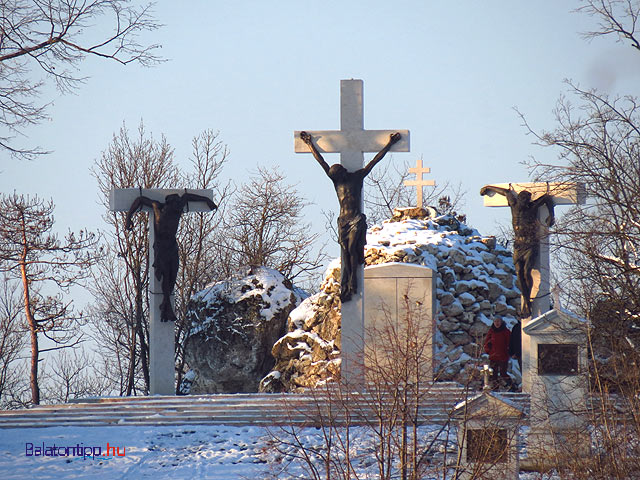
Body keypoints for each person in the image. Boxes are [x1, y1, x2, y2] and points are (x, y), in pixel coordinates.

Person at [300, 130, 401, 302]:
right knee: (346, 251)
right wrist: (310, 144)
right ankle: (346, 283)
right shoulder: (336, 181)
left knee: (353, 248)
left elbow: (374, 162)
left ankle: (353, 280)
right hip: (343, 222)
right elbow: (321, 161)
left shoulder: (357, 177)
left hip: (356, 220)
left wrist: (389, 144)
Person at [125, 192, 217, 321]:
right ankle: (166, 306)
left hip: (172, 246)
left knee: (173, 275)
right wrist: (128, 218)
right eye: (176, 204)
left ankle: (165, 304)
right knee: (166, 275)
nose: (179, 207)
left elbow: (189, 197)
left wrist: (207, 199)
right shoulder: (157, 208)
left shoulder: (177, 208)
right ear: (169, 204)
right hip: (161, 248)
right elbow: (139, 199)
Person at [479, 183, 555, 318]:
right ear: (518, 199)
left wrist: (551, 216)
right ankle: (526, 300)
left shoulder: (533, 207)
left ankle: (527, 303)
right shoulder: (514, 206)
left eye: (525, 201)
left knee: (526, 272)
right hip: (518, 244)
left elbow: (547, 199)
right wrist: (488, 188)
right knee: (519, 274)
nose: (522, 203)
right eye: (521, 200)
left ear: (528, 201)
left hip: (530, 243)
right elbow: (506, 192)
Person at [484, 317, 511, 387]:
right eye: (495, 321)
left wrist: (509, 351)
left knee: (503, 373)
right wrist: (488, 350)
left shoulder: (506, 331)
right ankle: (495, 388)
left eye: (498, 321)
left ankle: (511, 386)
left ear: (501, 322)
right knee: (493, 374)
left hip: (503, 355)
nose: (497, 323)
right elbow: (487, 342)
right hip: (493, 356)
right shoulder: (491, 331)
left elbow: (510, 343)